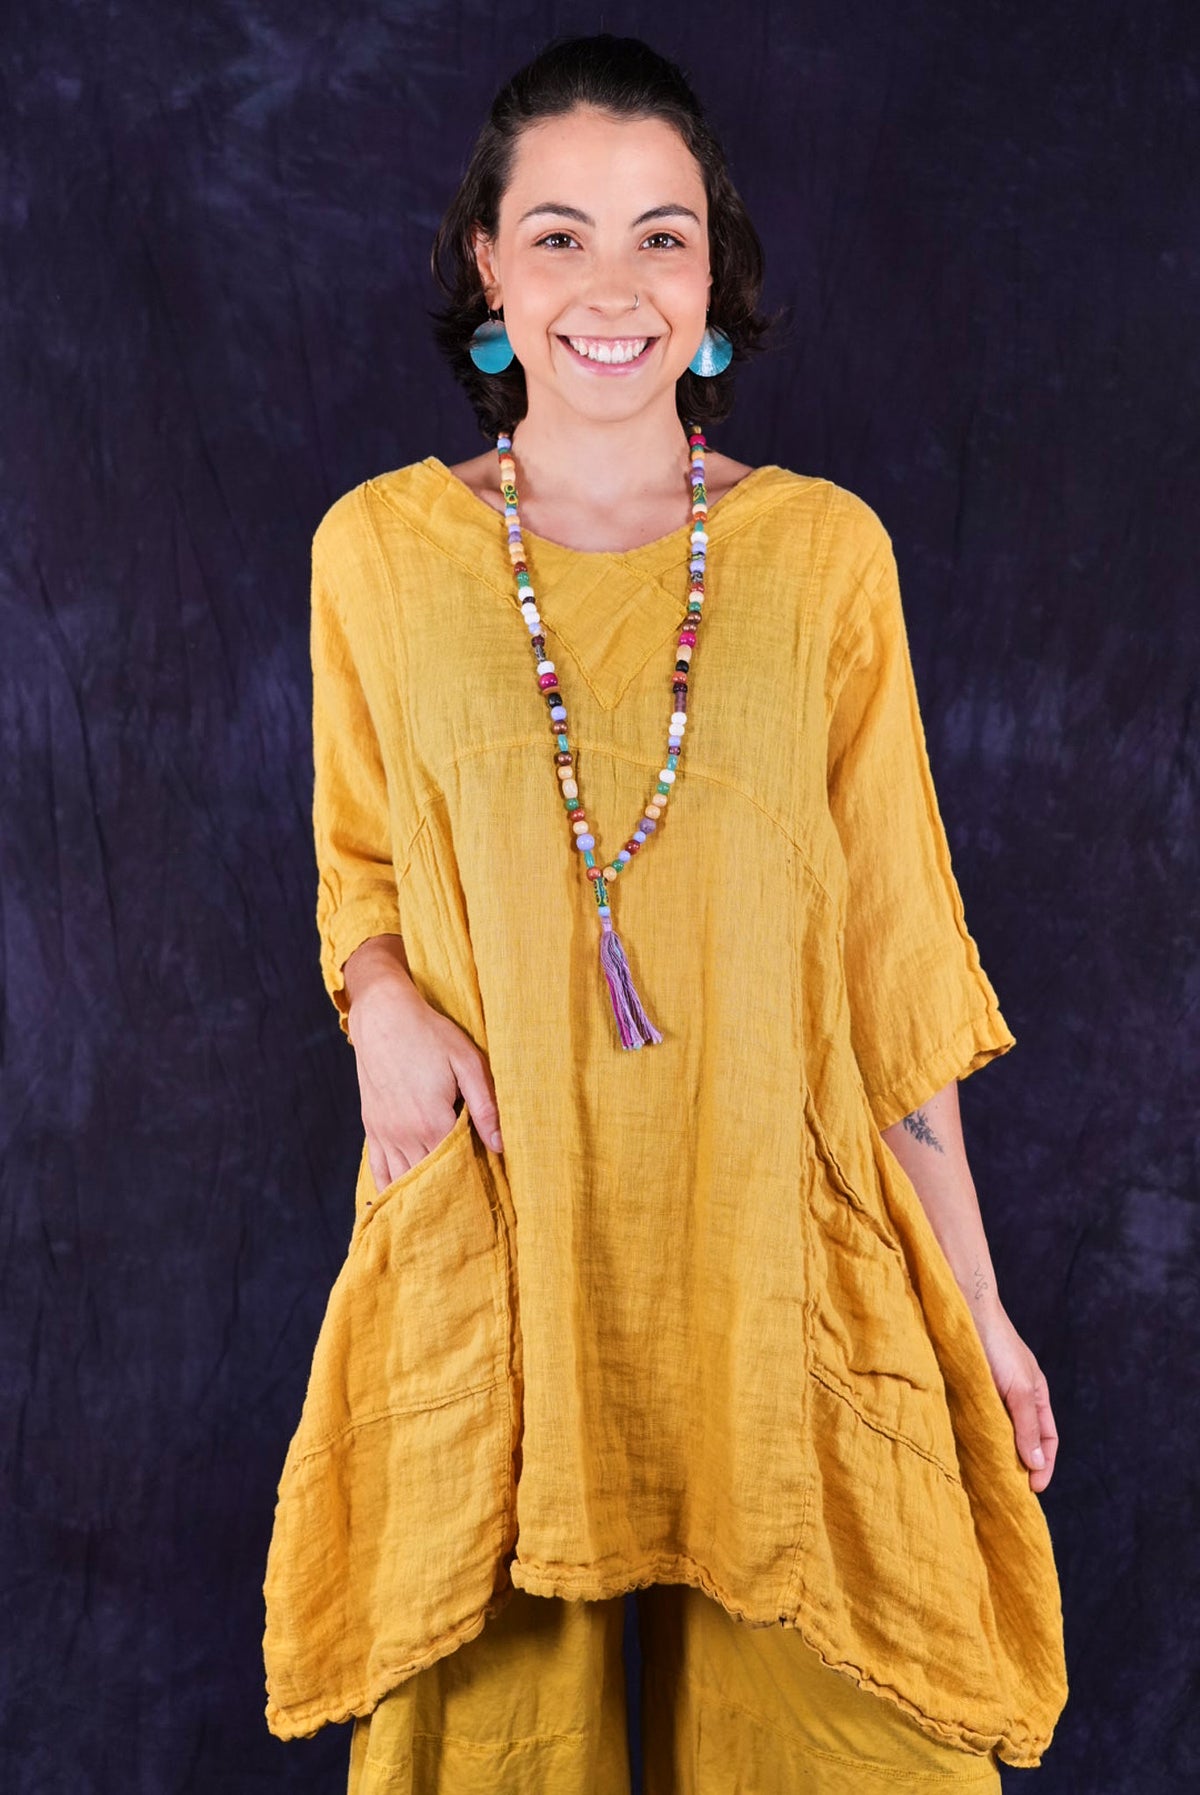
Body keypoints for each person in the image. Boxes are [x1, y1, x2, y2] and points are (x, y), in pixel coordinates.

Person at [262, 32, 1068, 1794]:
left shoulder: (825, 558)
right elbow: (360, 866)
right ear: (489, 263)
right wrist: (378, 995)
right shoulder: (376, 556)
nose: (611, 287)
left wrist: (981, 1301)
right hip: (501, 1245)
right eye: (559, 235)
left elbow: (892, 970)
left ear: (713, 276)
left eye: (661, 236)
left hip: (772, 1262)